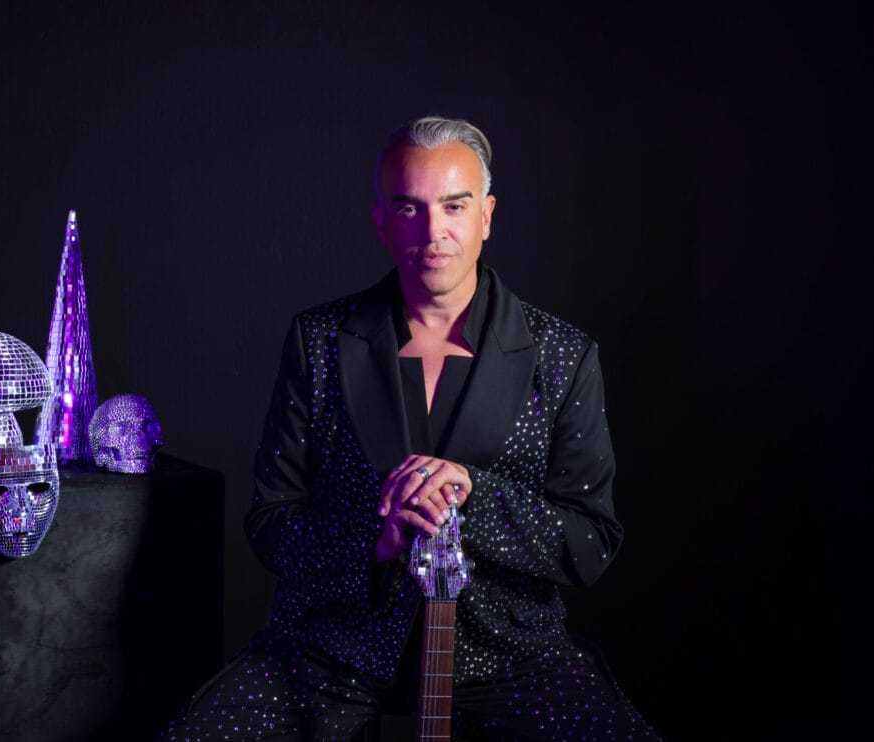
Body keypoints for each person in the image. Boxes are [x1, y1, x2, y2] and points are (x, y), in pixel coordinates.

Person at [159, 116, 661, 741]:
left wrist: (470, 497)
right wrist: (376, 542)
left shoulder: (563, 355)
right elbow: (270, 522)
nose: (433, 231)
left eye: (455, 205)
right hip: (333, 646)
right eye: (409, 207)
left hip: (505, 655)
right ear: (381, 221)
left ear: (487, 215)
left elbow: (591, 542)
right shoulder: (317, 341)